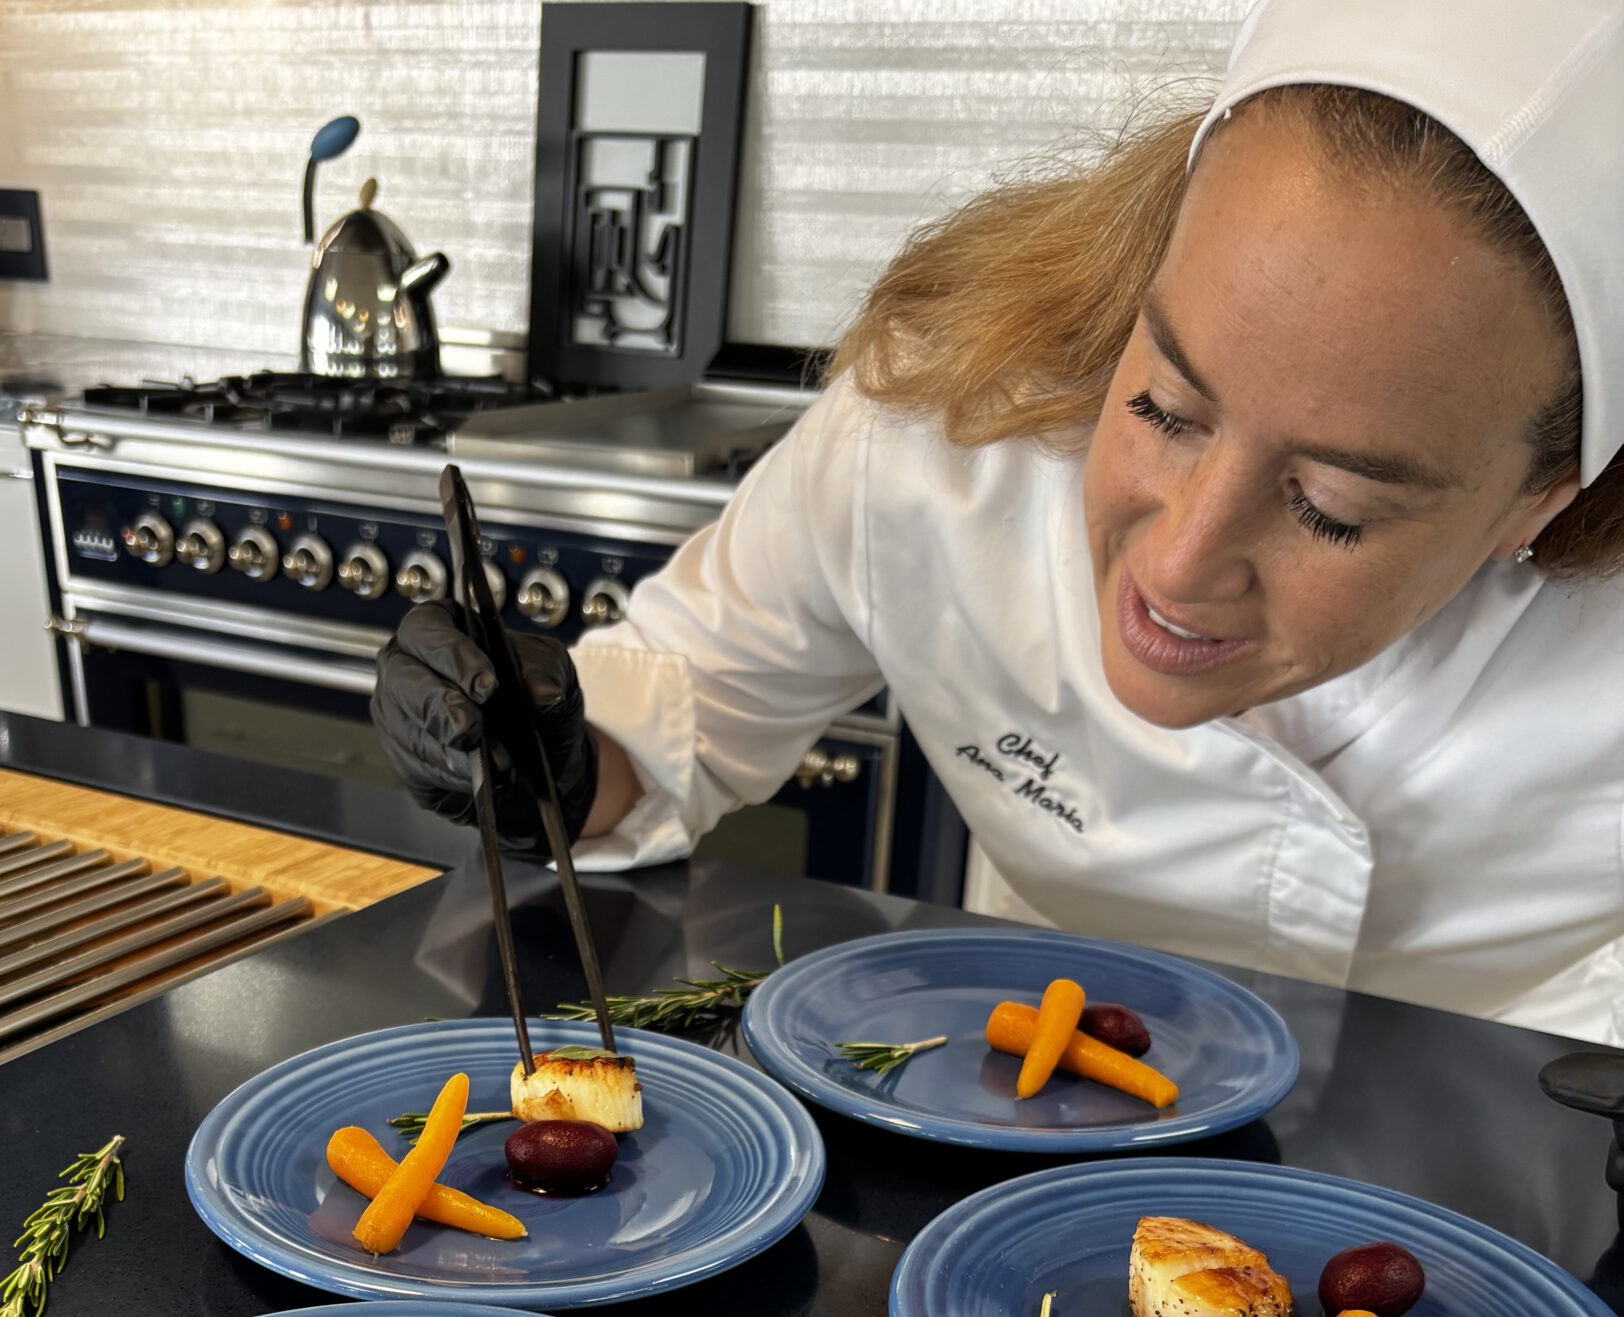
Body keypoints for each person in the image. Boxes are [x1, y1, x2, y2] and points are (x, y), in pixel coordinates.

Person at [373, 0, 1624, 1042]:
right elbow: (687, 698)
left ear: (1546, 494)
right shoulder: (945, 428)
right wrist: (550, 759)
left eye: (1332, 508)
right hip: (1031, 1113)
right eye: (1165, 407)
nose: (1181, 561)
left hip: (1510, 1183)